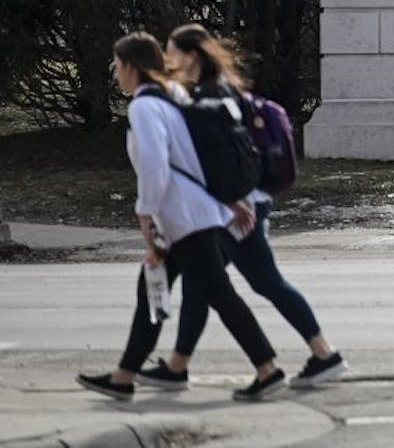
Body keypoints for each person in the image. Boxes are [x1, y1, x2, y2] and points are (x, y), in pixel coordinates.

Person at [130, 23, 346, 393]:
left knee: (264, 282)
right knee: (202, 285)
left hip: (238, 207)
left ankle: (322, 354)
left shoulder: (213, 97)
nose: (168, 60)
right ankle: (178, 365)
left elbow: (220, 163)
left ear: (191, 56)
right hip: (237, 204)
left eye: (172, 51)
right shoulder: (219, 91)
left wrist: (232, 203)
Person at [78, 32, 286, 402]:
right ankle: (124, 376)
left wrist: (145, 213)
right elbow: (198, 157)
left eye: (116, 65)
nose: (114, 73)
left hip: (183, 219)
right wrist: (228, 199)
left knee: (220, 295)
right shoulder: (173, 96)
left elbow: (156, 167)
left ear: (130, 65)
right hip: (190, 216)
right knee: (152, 290)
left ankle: (267, 369)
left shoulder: (144, 107)